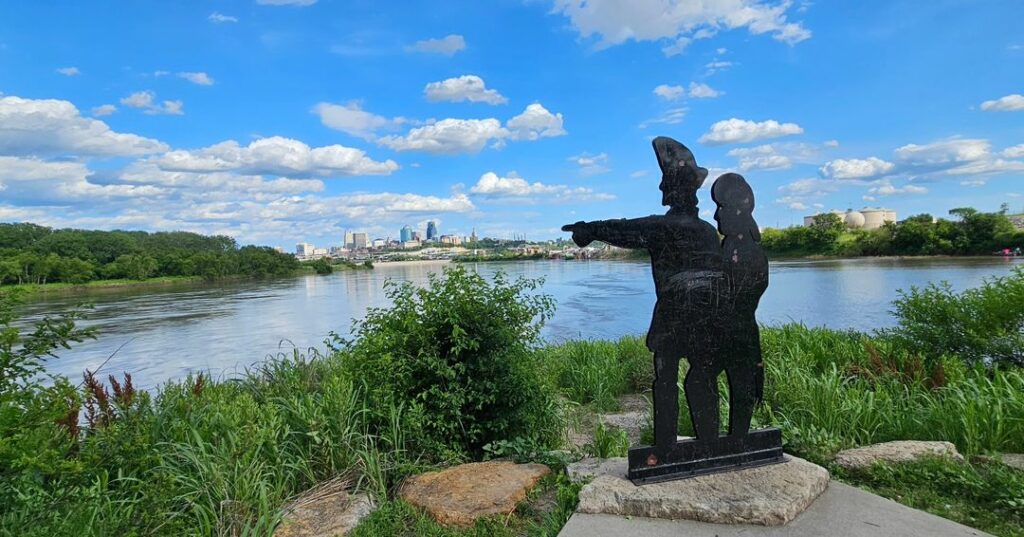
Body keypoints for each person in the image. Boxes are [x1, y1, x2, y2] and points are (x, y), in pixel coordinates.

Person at [562, 137, 725, 448]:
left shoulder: (661, 228)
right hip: (709, 313)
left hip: (675, 311)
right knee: (702, 377)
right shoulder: (706, 231)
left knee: (666, 379)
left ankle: (666, 445)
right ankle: (711, 444)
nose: (662, 191)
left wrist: (589, 228)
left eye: (665, 185)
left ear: (670, 191)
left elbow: (623, 229)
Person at [712, 173, 769, 436]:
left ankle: (736, 440)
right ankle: (724, 440)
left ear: (738, 209)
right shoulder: (731, 248)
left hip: (737, 333)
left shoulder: (748, 252)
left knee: (741, 387)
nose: (716, 216)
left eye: (720, 208)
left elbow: (739, 295)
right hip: (734, 331)